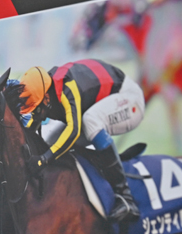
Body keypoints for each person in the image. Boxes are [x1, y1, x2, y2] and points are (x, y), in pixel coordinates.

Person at [18, 59, 145, 222]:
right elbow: (32, 129)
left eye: (36, 110)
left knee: (90, 121)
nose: (36, 115)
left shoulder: (66, 88)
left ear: (46, 100)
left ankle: (126, 197)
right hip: (105, 101)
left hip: (129, 99)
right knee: (53, 141)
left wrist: (43, 160)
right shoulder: (46, 91)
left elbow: (73, 131)